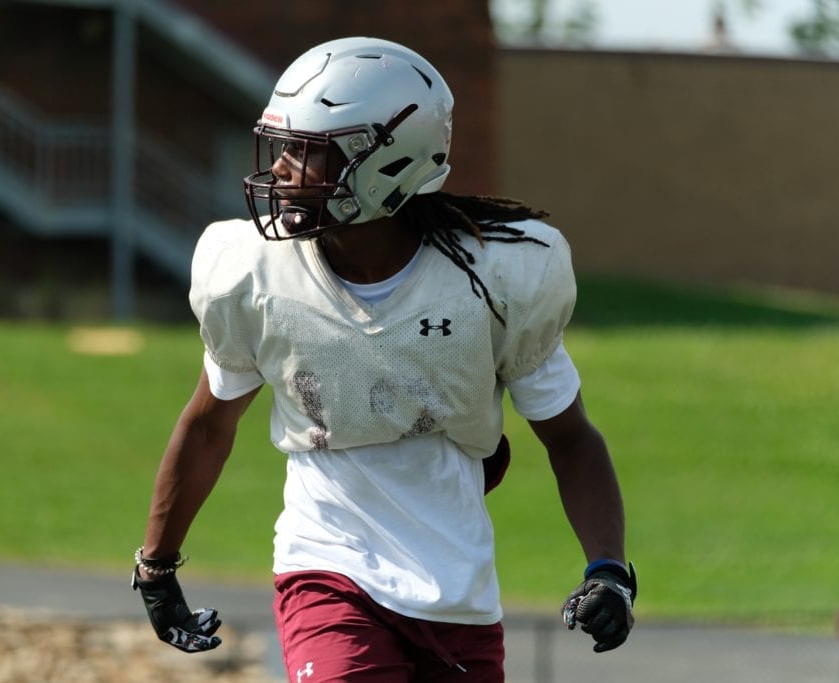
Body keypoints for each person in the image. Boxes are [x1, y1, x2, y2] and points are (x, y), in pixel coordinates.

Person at [132, 36, 636, 681]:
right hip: (326, 568)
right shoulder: (256, 275)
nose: (281, 169)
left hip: (458, 590)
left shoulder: (495, 279)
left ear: (387, 166)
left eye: (307, 153)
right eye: (283, 148)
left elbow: (569, 438)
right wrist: (156, 564)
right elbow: (207, 424)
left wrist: (609, 571)